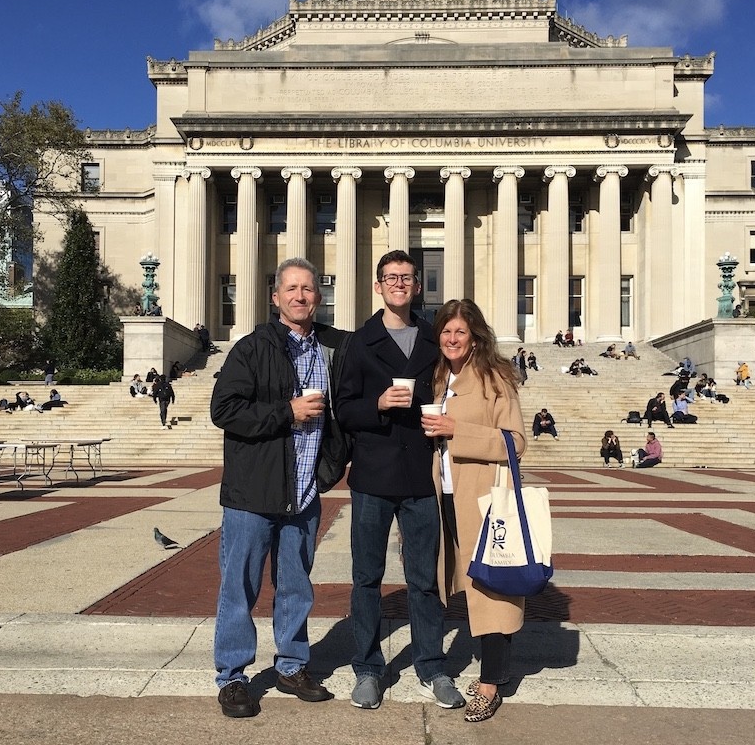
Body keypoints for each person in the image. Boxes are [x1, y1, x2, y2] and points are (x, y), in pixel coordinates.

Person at [210, 257, 349, 719]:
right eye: (291, 289)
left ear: (319, 296)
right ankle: (232, 676)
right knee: (240, 588)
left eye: (308, 289)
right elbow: (224, 410)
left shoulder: (329, 350)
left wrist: (328, 469)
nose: (300, 296)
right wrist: (286, 412)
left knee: (295, 587)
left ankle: (291, 666)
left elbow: (340, 417)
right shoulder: (251, 349)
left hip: (304, 494)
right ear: (276, 298)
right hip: (253, 494)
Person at [337, 250, 464, 712]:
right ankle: (368, 667)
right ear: (378, 286)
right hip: (372, 474)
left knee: (424, 579)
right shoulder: (358, 341)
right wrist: (377, 404)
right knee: (366, 577)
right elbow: (343, 409)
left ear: (416, 286)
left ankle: (432, 664)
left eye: (407, 278)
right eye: (390, 278)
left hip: (420, 476)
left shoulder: (435, 339)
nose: (398, 284)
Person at [421, 299, 526, 723]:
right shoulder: (441, 376)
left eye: (460, 332)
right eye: (446, 331)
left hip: (483, 498)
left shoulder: (494, 377)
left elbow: (516, 442)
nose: (451, 339)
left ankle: (491, 682)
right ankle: (497, 658)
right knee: (465, 582)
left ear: (475, 335)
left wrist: (456, 431)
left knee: (490, 587)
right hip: (447, 494)